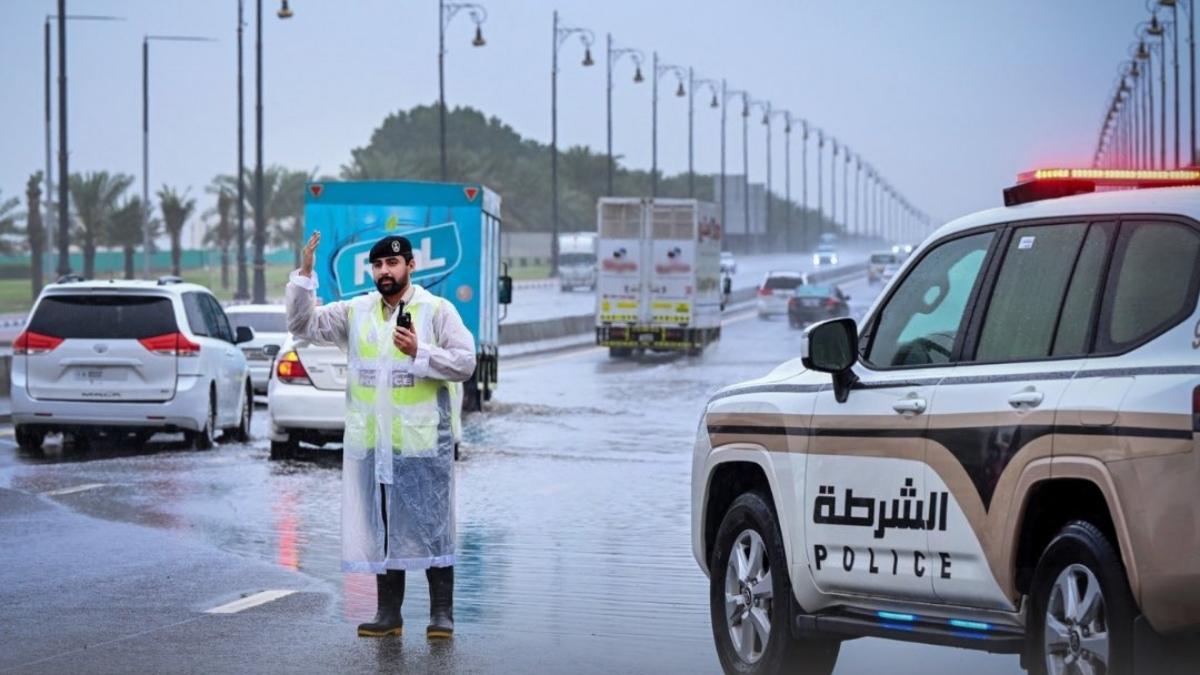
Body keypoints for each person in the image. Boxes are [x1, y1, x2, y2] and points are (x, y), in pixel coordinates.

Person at [286, 231, 476, 639]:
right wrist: (305, 274)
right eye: (377, 265)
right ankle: (388, 614)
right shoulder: (357, 311)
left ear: (411, 265)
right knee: (382, 529)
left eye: (392, 264)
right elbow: (302, 324)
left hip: (422, 445)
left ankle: (442, 614)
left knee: (433, 527)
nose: (384, 272)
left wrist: (420, 353)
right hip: (373, 445)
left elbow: (465, 363)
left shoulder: (436, 311)